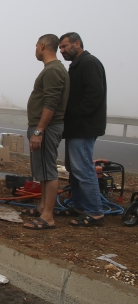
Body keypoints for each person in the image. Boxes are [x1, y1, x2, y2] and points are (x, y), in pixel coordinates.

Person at [59, 32, 107, 227]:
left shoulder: (89, 63)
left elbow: (94, 94)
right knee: (73, 168)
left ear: (77, 43)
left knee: (83, 168)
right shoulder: (77, 66)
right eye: (60, 48)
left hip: (83, 127)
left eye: (64, 46)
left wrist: (76, 114)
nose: (62, 51)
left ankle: (95, 212)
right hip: (75, 127)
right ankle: (79, 206)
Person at [21, 34, 70, 229]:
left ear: (42, 46)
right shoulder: (52, 69)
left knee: (48, 171)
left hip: (47, 128)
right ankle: (42, 206)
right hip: (43, 127)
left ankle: (48, 216)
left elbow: (51, 102)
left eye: (36, 46)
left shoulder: (53, 70)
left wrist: (39, 131)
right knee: (41, 169)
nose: (35, 50)